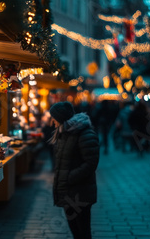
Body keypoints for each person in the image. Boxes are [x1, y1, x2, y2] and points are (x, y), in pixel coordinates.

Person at [49, 101, 99, 239]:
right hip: (68, 191)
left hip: (80, 193)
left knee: (83, 231)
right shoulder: (63, 133)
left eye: (53, 117)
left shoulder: (84, 133)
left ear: (60, 118)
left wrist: (69, 177)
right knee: (75, 231)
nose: (52, 121)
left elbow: (91, 163)